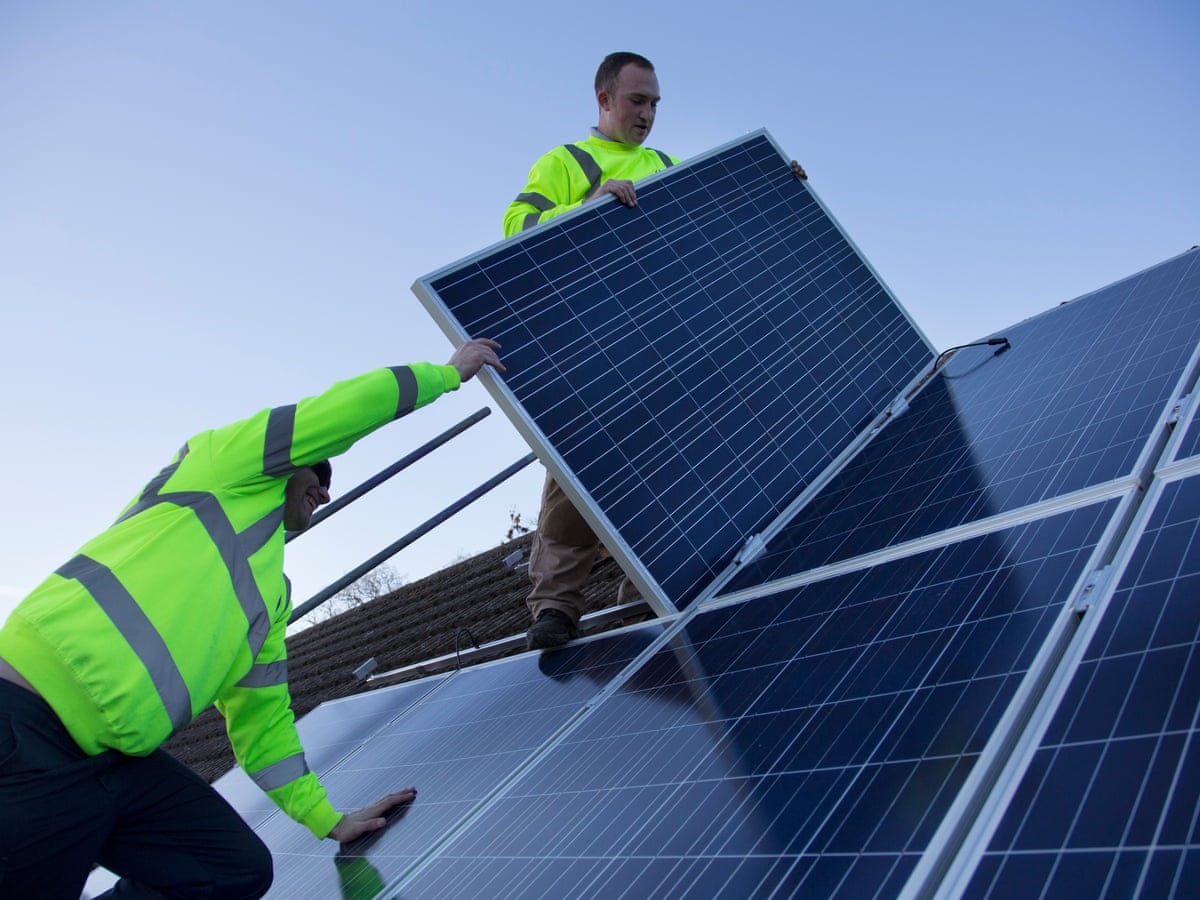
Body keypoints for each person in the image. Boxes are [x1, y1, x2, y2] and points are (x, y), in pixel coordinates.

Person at [0, 338, 504, 899]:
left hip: (114, 761)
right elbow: (337, 413)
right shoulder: (217, 468)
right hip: (23, 724)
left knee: (234, 869)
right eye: (317, 468)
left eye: (331, 482)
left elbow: (262, 724)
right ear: (288, 464)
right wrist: (446, 375)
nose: (325, 487)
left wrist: (328, 820)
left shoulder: (271, 596)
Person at [504, 51, 806, 650]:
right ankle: (557, 608)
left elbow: (711, 225)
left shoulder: (664, 164)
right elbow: (517, 227)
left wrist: (775, 190)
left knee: (668, 473)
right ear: (605, 100)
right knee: (576, 480)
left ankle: (644, 591)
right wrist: (584, 209)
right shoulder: (568, 161)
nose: (647, 113)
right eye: (637, 101)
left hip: (664, 344)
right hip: (594, 346)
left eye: (655, 104)